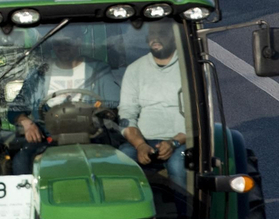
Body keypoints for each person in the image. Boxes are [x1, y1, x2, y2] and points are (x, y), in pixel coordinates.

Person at [11, 35, 119, 147]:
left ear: (78, 42)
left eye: (67, 42)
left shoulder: (99, 70)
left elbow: (116, 105)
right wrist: (27, 123)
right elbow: (15, 108)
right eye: (57, 43)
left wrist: (101, 115)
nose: (63, 47)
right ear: (53, 46)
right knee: (21, 161)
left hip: (92, 138)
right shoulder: (39, 73)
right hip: (47, 138)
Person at [117, 20, 189, 183]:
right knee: (122, 160)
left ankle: (186, 208)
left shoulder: (189, 68)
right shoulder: (135, 69)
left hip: (182, 142)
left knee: (178, 165)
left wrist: (174, 142)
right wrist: (140, 145)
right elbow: (127, 114)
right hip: (144, 141)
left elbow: (199, 116)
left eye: (162, 33)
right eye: (152, 34)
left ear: (174, 37)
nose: (156, 38)